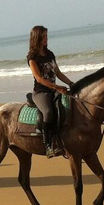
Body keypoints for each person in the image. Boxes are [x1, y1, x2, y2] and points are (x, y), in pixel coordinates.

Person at [27, 26, 74, 158]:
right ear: (37, 38)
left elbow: (57, 72)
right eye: (44, 36)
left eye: (47, 36)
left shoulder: (50, 54)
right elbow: (39, 78)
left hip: (54, 90)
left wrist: (70, 83)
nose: (47, 38)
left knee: (68, 106)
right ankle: (48, 145)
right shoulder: (32, 57)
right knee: (48, 112)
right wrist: (57, 87)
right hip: (41, 92)